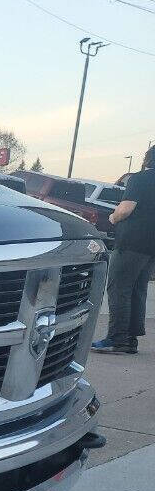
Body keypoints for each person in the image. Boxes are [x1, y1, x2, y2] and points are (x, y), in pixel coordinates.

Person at [93, 145, 155, 354]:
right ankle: (130, 340)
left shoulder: (139, 179)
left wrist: (113, 217)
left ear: (148, 159)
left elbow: (126, 209)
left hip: (131, 242)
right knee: (138, 289)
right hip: (150, 246)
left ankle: (116, 338)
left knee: (119, 288)